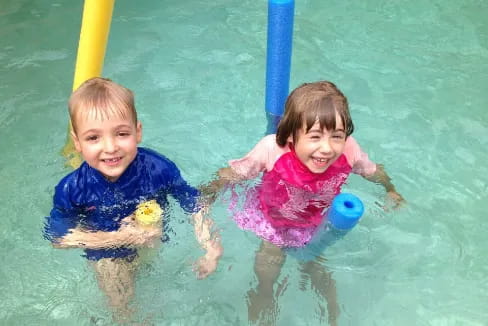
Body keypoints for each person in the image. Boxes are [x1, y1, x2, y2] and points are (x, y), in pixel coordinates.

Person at [203, 81, 404, 325]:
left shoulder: (349, 150)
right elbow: (236, 173)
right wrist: (207, 193)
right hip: (274, 219)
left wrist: (390, 189)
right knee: (269, 259)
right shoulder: (272, 149)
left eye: (337, 136)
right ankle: (265, 293)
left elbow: (372, 171)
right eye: (315, 136)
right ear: (290, 135)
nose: (327, 148)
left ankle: (330, 313)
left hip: (315, 221)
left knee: (315, 262)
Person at [44, 77, 223, 322]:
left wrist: (210, 247)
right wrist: (120, 238)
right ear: (77, 142)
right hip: (107, 255)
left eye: (121, 133)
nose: (110, 147)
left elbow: (193, 203)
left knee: (153, 291)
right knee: (126, 310)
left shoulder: (158, 169)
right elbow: (58, 238)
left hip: (151, 241)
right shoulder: (73, 188)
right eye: (93, 138)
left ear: (137, 132)